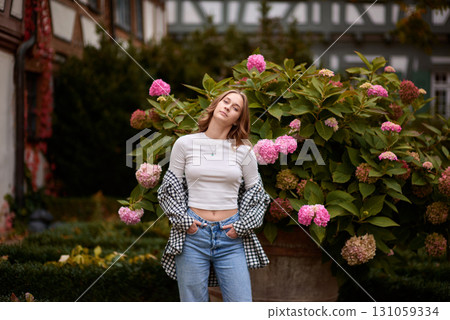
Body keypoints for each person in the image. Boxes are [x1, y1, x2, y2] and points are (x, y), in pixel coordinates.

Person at [157, 89, 270, 302]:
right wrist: (184, 221)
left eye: (235, 107)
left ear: (238, 120)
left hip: (231, 237)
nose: (228, 107)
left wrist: (241, 227)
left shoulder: (244, 151)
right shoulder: (185, 144)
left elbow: (258, 196)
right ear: (216, 105)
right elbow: (169, 188)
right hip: (192, 236)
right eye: (226, 101)